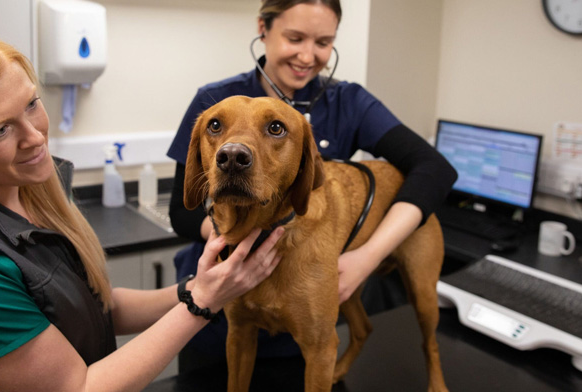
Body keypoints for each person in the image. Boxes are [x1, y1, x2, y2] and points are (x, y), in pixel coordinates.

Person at [0, 25, 284, 392]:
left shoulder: (35, 192)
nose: (35, 137)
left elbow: (96, 307)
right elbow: (76, 387)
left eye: (31, 104)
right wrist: (203, 303)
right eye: (0, 130)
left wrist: (200, 286)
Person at [167, 0, 458, 371]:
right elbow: (182, 210)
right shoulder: (214, 103)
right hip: (212, 308)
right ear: (263, 29)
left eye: (323, 42)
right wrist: (236, 242)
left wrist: (365, 259)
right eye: (295, 37)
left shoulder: (348, 101)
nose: (308, 55)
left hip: (306, 319)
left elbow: (435, 168)